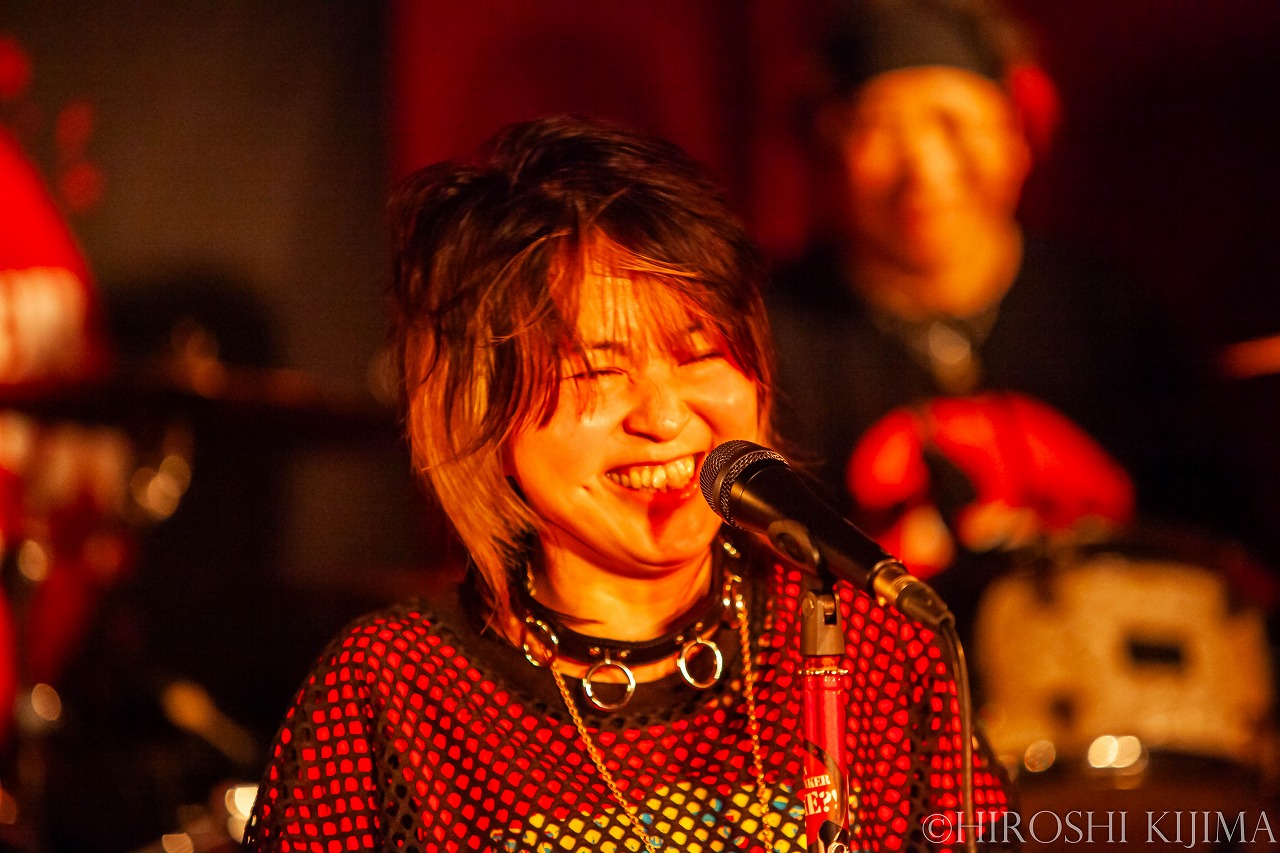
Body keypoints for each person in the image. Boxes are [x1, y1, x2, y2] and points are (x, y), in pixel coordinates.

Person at [242, 116, 1014, 852]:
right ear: (483, 414)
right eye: (597, 371)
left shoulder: (876, 650)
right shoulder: (394, 692)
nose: (664, 416)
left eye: (698, 353)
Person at [769, 0, 1240, 579]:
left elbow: (1213, 550)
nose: (925, 169)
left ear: (1018, 135)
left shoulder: (1113, 320)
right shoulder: (774, 337)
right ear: (829, 145)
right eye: (880, 127)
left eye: (953, 124)